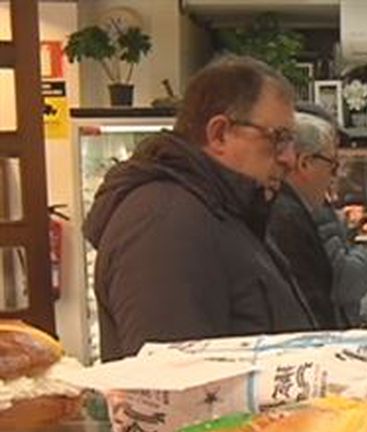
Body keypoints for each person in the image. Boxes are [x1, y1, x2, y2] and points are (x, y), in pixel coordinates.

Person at [84, 56, 315, 360]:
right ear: (219, 133)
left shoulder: (225, 209)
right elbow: (170, 386)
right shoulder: (164, 224)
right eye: (278, 139)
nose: (288, 158)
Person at [266, 109, 367, 329]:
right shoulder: (292, 215)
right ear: (304, 162)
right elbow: (341, 281)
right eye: (332, 165)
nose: (334, 176)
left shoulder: (293, 208)